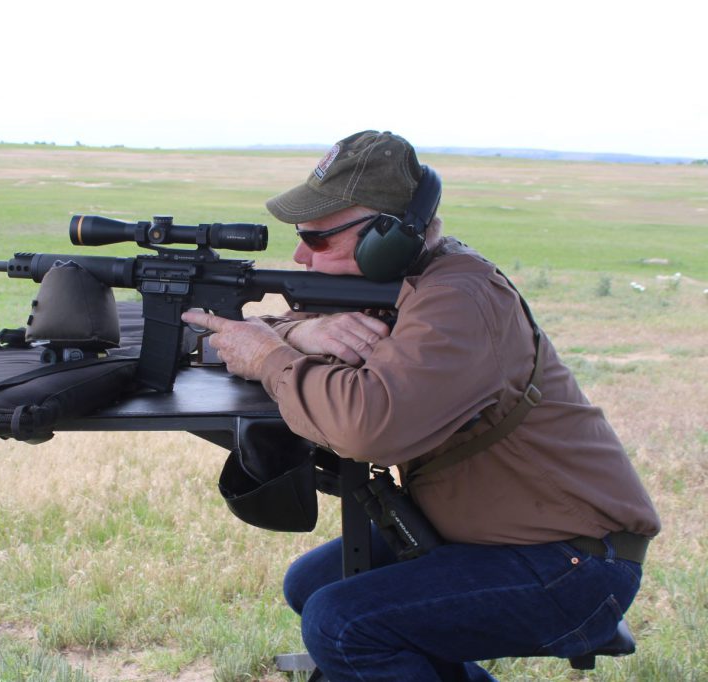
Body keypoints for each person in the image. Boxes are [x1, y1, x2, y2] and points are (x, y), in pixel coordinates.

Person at [181, 130, 660, 682]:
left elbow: (367, 426)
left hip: (572, 562)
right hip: (494, 534)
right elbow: (294, 326)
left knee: (343, 622)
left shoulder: (458, 300)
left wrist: (270, 359)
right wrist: (308, 332)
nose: (299, 255)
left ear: (385, 237)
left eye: (318, 239)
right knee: (313, 584)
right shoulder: (406, 281)